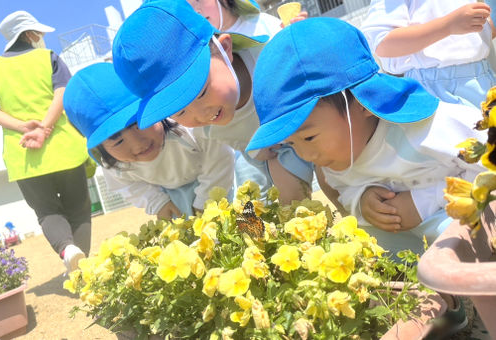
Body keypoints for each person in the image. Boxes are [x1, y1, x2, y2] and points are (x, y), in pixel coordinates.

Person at [246, 17, 485, 336]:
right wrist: (363, 200)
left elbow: (487, 170)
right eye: (291, 144)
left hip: (456, 222)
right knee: (367, 247)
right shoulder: (337, 154)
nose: (304, 155)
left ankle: (482, 301)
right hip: (409, 235)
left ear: (362, 102)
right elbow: (346, 190)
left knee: (474, 233)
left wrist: (421, 202)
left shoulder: (424, 129)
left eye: (309, 138)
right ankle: (442, 310)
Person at [112, 0, 314, 204]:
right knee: (247, 209)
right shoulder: (205, 128)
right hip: (263, 153)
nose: (200, 115)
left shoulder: (270, 56)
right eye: (180, 112)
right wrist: (256, 148)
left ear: (224, 48)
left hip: (312, 131)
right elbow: (238, 140)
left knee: (296, 193)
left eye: (201, 94)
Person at [0, 11, 91, 272]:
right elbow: (62, 93)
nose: (41, 37)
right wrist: (45, 128)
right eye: (39, 33)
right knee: (78, 207)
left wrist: (24, 126)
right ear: (30, 34)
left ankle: (67, 250)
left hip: (24, 153)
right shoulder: (48, 57)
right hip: (63, 145)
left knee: (47, 211)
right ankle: (83, 271)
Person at [64, 63, 235, 219]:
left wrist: (204, 201)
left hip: (221, 179)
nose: (137, 144)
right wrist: (157, 202)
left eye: (138, 124)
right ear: (101, 150)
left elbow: (219, 158)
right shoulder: (114, 166)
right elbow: (130, 187)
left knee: (241, 221)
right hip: (173, 196)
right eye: (117, 142)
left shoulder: (186, 122)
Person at [361, 0, 496, 109]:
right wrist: (448, 25)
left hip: (484, 78)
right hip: (437, 89)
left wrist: (485, 26)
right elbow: (383, 43)